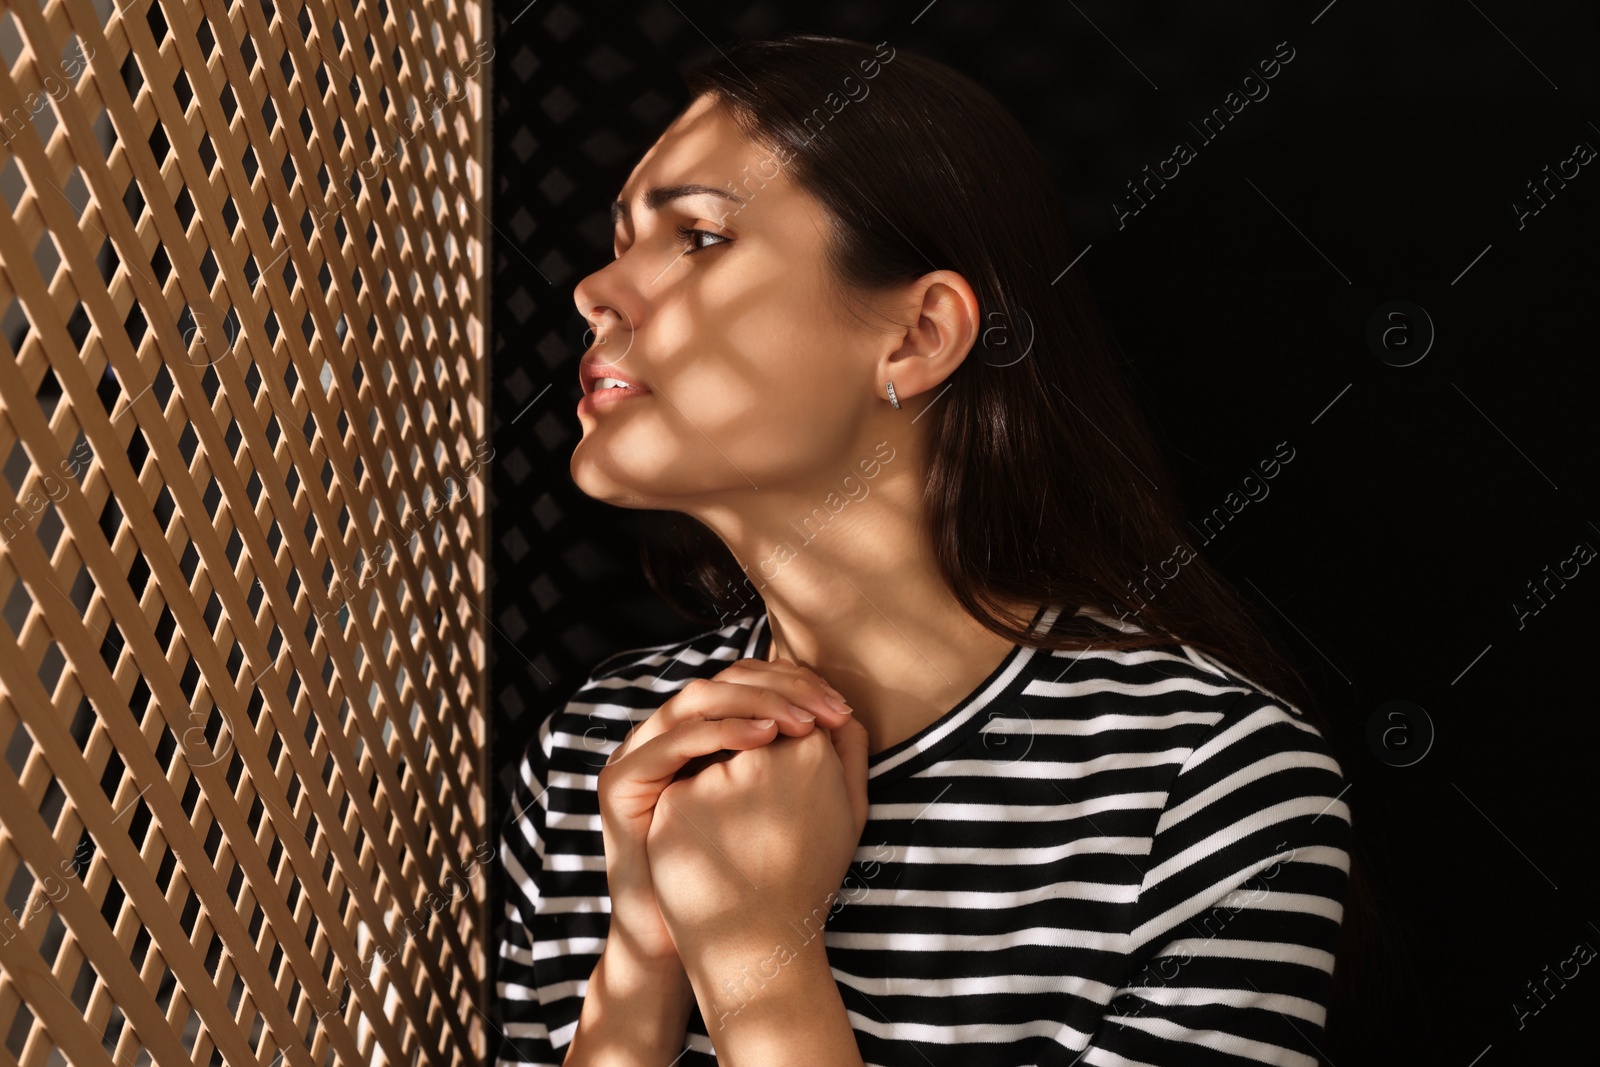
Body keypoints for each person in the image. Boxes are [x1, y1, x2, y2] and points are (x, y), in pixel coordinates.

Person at [495, 32, 1353, 1066]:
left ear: (917, 336)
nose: (597, 288)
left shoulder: (1207, 784)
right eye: (621, 237)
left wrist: (754, 948)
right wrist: (640, 956)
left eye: (700, 238)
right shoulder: (598, 751)